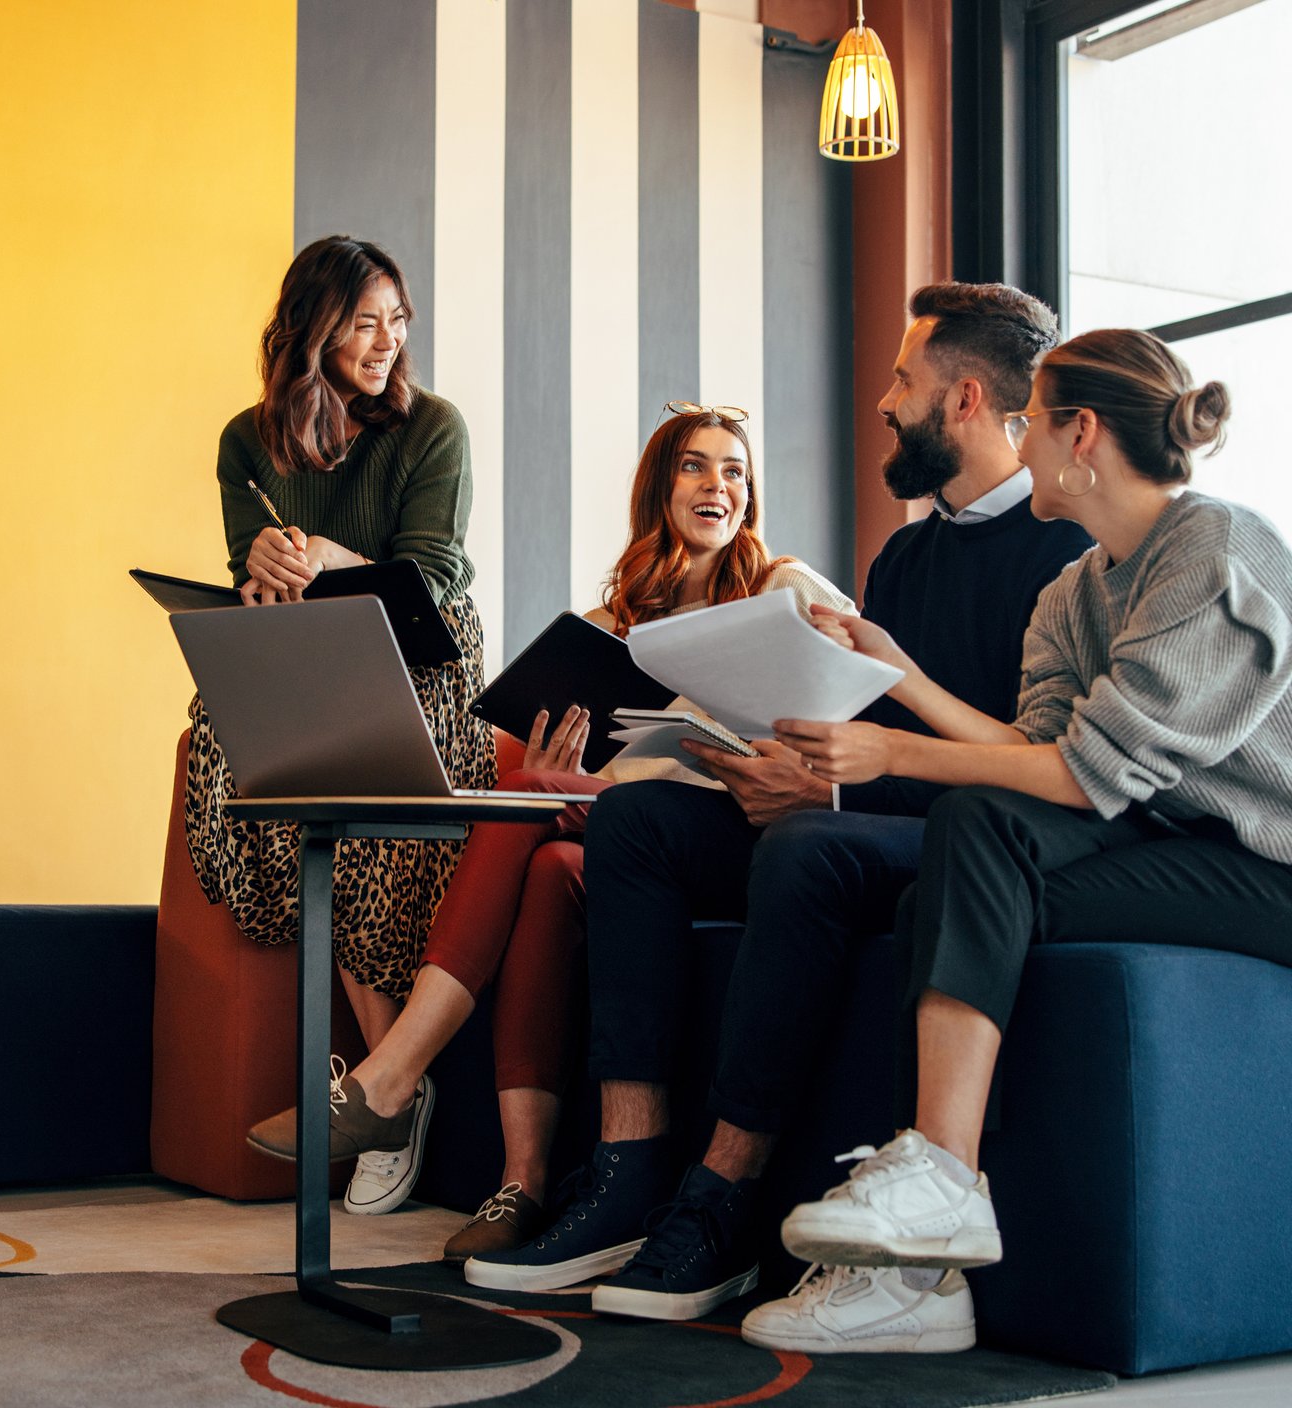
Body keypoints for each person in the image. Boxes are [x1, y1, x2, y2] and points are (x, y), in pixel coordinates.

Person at [462, 283, 1093, 1335]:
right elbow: (847, 713)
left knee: (805, 848)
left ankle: (722, 1203)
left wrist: (832, 787)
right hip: (852, 803)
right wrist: (773, 761)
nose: (884, 402)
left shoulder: (1061, 556)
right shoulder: (902, 556)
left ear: (967, 398)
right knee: (635, 826)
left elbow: (1029, 767)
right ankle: (625, 1171)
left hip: (964, 839)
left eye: (902, 379)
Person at [756, 328, 1292, 1354]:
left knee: (973, 834)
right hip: (1175, 842)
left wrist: (890, 753)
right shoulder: (1073, 591)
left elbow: (1078, 776)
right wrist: (896, 673)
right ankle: (921, 1276)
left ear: (1077, 432)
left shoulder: (1211, 551)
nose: (1016, 439)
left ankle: (940, 1194)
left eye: (1028, 419)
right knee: (939, 892)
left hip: (1268, 868)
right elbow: (1038, 747)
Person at [248, 404, 854, 1244]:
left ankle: (390, 1082)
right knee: (538, 839)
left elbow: (859, 699)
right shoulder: (609, 630)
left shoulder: (781, 588)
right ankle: (521, 1185)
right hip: (626, 842)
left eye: (735, 470)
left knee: (543, 810)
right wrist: (557, 781)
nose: (718, 484)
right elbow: (593, 782)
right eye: (695, 466)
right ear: (659, 490)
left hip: (744, 832)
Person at [184, 235, 497, 1215]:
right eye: (364, 322)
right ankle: (389, 1092)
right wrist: (264, 573)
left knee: (362, 817)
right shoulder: (247, 438)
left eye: (397, 320)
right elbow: (249, 563)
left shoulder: (432, 427)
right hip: (311, 653)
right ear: (312, 329)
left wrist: (330, 554)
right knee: (232, 749)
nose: (385, 340)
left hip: (421, 658)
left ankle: (382, 1090)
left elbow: (434, 575)